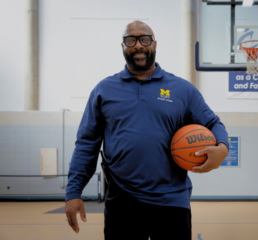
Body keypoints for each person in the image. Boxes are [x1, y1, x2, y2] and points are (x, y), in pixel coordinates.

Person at [65, 21, 229, 240]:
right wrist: (73, 192)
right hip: (122, 199)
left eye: (145, 39)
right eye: (130, 40)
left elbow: (213, 123)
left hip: (172, 199)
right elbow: (86, 143)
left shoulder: (182, 89)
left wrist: (222, 148)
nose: (138, 45)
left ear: (155, 44)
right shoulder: (104, 89)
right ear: (122, 46)